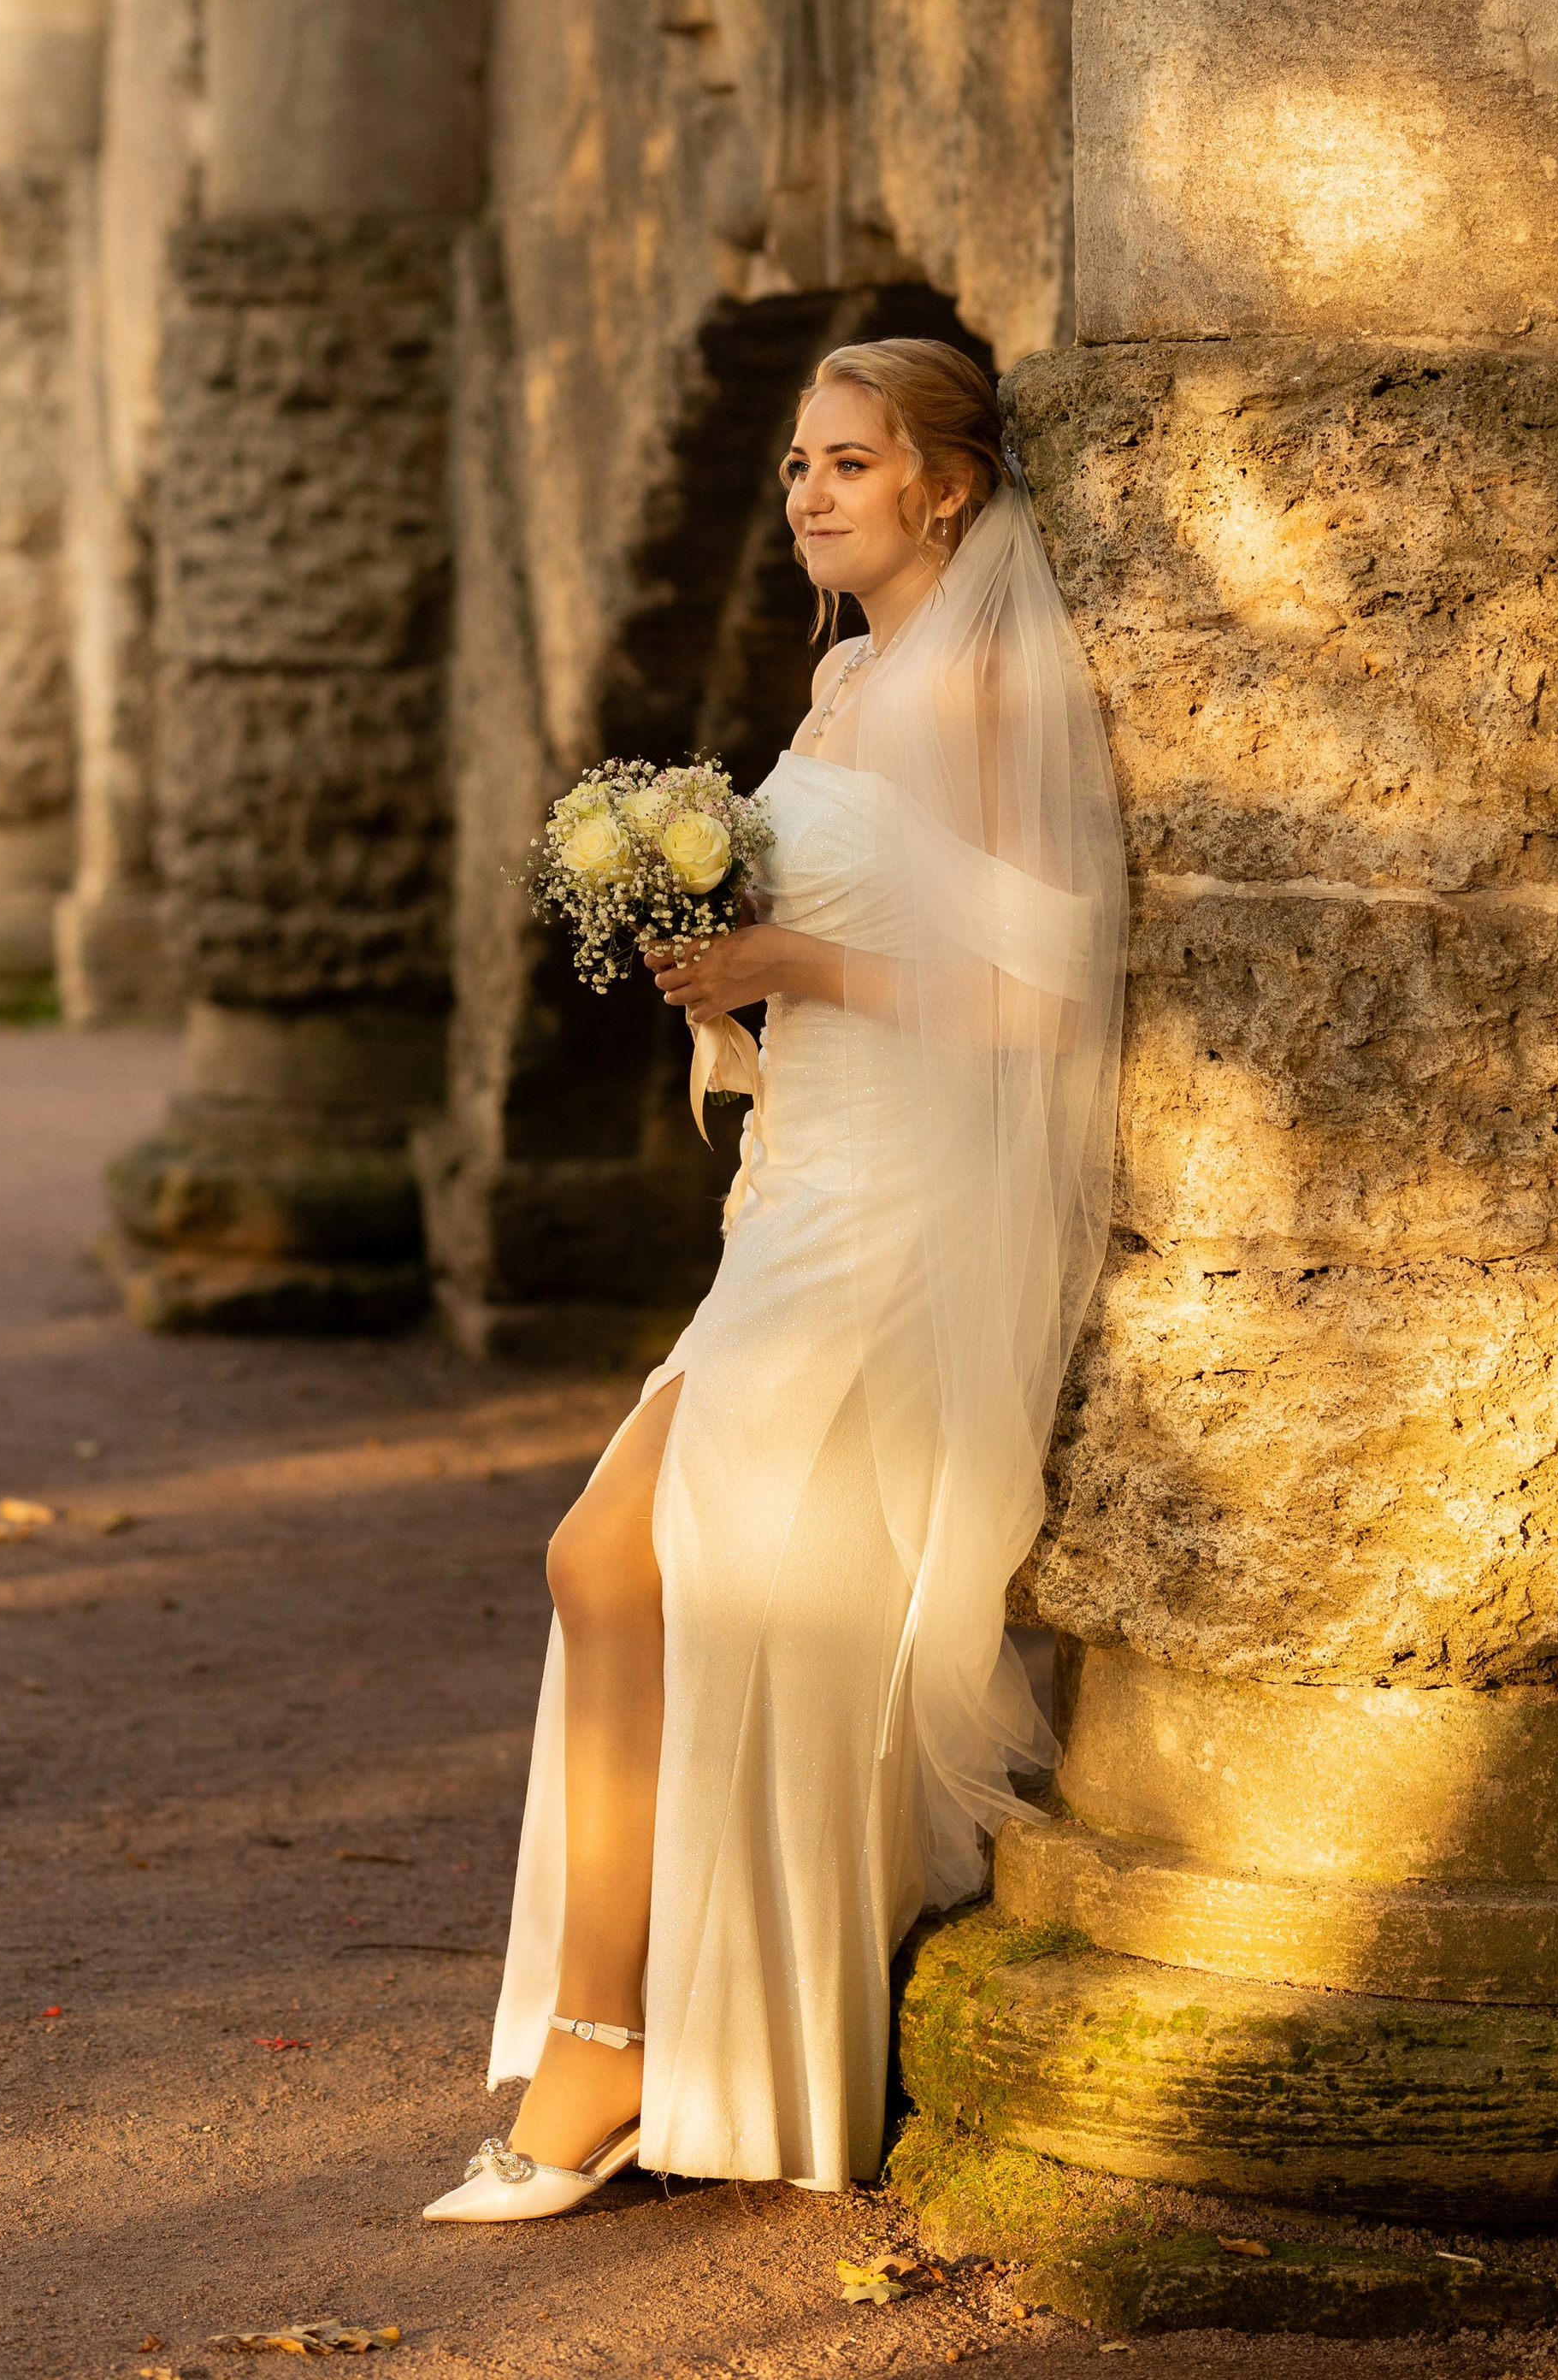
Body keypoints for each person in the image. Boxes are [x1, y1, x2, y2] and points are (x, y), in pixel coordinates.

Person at [423, 337, 1127, 2221]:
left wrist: (789, 973)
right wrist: (721, 963)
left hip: (892, 1213)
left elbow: (1051, 1002)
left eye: (848, 463)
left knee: (640, 1565)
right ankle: (631, 2039)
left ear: (946, 488)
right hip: (799, 1185)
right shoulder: (843, 681)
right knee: (647, 1576)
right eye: (799, 466)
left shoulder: (979, 687)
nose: (808, 494)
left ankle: (617, 2056)